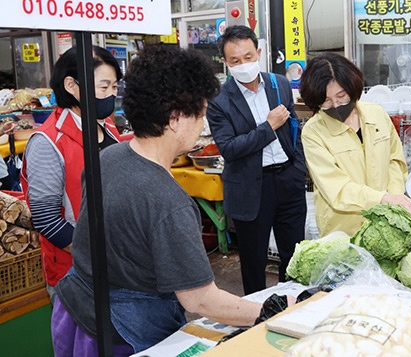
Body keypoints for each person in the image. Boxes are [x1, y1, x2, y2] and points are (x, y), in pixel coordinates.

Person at [52, 45, 264, 355]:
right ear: (176, 119)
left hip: (74, 312)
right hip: (121, 333)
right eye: (201, 114)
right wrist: (267, 309)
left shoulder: (106, 158)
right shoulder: (169, 202)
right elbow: (200, 300)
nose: (203, 124)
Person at [206, 25, 307, 295]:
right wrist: (267, 127)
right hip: (251, 188)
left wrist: (299, 169)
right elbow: (229, 148)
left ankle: (294, 306)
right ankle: (255, 317)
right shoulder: (219, 101)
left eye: (248, 57)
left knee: (295, 254)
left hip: (288, 180)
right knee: (254, 260)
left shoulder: (279, 83)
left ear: (258, 53)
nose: (243, 65)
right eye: (236, 61)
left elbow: (294, 128)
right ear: (225, 63)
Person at [21, 46, 122, 298]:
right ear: (71, 85)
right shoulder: (47, 142)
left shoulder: (107, 126)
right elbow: (46, 219)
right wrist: (97, 256)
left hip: (118, 262)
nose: (111, 95)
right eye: (104, 87)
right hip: (76, 272)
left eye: (115, 87)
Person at [299, 53, 411, 237]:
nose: (336, 105)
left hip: (386, 224)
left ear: (352, 88)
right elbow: (336, 187)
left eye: (341, 96)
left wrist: (395, 198)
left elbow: (395, 161)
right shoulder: (314, 132)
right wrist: (382, 199)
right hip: (343, 232)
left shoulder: (377, 114)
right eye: (326, 101)